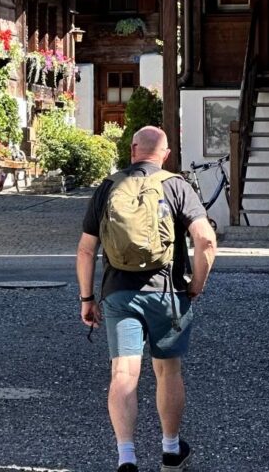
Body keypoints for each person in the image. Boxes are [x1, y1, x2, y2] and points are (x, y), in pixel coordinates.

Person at [77, 126, 218, 472]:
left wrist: (86, 298)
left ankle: (126, 458)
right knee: (168, 371)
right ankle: (171, 449)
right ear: (165, 155)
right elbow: (206, 242)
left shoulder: (108, 187)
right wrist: (196, 285)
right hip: (167, 294)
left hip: (119, 293)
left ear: (132, 149)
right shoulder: (177, 186)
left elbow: (85, 250)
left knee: (124, 373)